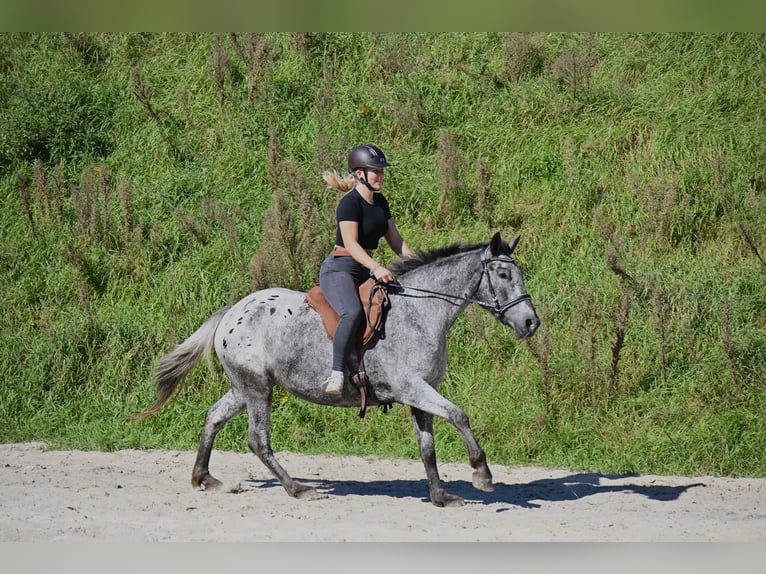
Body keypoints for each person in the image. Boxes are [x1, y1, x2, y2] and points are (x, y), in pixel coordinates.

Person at [319, 144, 415, 395]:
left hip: (364, 268)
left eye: (382, 171)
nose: (381, 175)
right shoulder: (349, 204)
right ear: (360, 173)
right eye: (376, 171)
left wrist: (418, 262)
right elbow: (350, 244)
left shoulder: (381, 202)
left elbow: (395, 240)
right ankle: (336, 374)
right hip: (341, 269)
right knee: (351, 312)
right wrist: (375, 266)